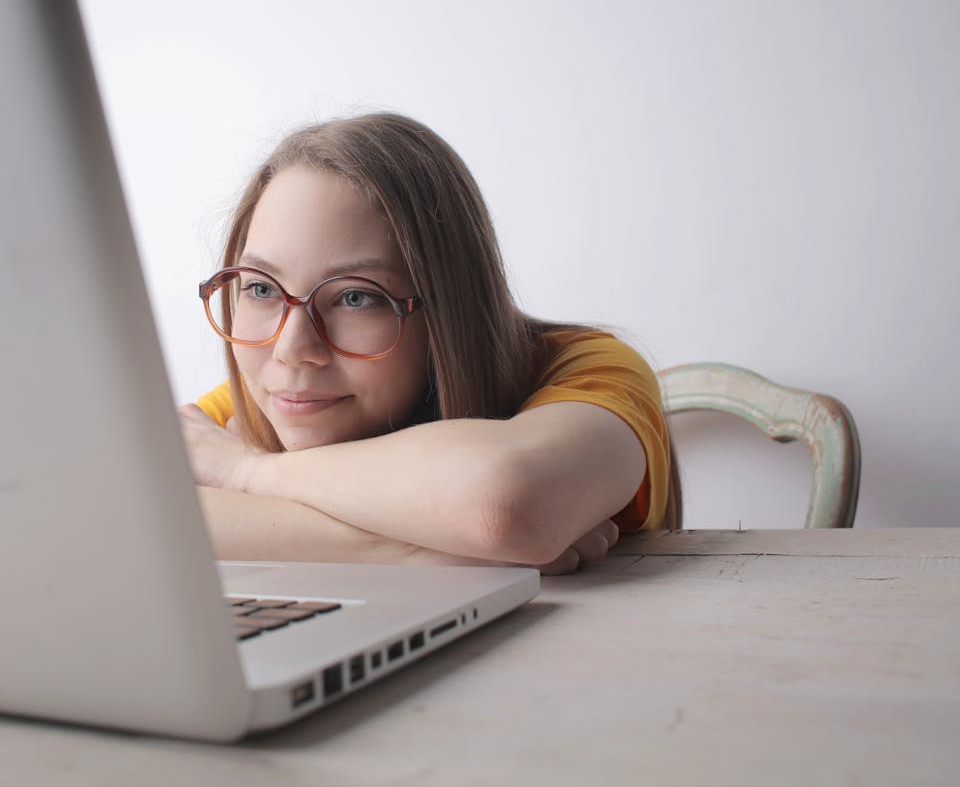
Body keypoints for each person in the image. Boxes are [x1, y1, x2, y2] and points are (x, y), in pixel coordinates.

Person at [178, 112, 676, 574]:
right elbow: (129, 518)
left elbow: (503, 503)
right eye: (261, 288)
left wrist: (248, 473)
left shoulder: (587, 368)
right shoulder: (277, 398)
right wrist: (446, 550)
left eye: (355, 297)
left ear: (446, 308)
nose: (291, 348)